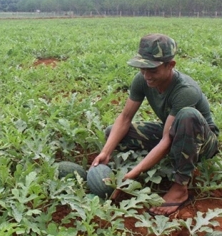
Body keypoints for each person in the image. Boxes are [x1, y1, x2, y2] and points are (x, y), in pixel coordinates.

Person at [91, 33, 219, 216]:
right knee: (113, 132)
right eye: (142, 68)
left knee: (187, 115)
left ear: (171, 65)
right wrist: (106, 151)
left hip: (202, 141)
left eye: (152, 70)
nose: (146, 75)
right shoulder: (142, 79)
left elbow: (166, 139)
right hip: (173, 130)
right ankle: (166, 158)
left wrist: (134, 173)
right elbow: (125, 118)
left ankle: (180, 189)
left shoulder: (185, 90)